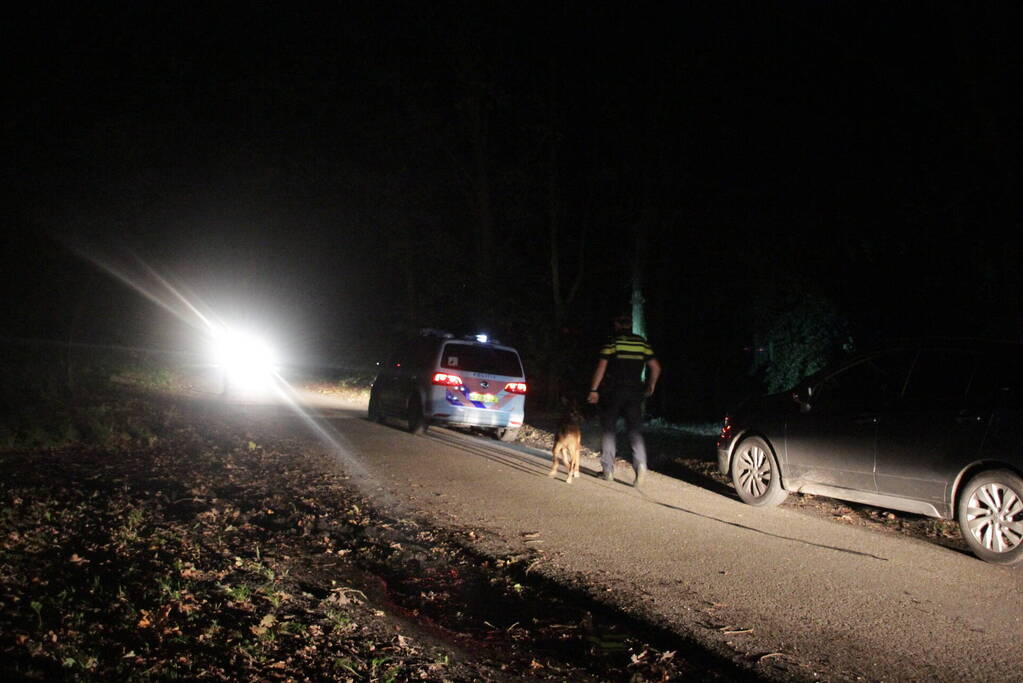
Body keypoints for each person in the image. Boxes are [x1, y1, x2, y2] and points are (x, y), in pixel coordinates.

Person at [587, 314, 661, 486]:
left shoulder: (612, 342)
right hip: (635, 393)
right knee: (635, 430)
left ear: (616, 324)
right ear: (630, 325)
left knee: (609, 430)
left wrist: (593, 389)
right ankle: (641, 464)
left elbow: (601, 367)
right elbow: (656, 367)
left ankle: (608, 471)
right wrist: (651, 385)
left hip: (613, 392)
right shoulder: (641, 342)